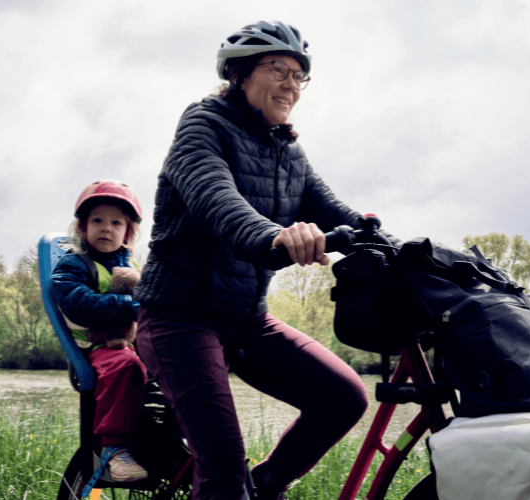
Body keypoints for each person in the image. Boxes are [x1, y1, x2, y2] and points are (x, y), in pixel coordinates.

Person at [133, 20, 401, 500]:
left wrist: (397, 247)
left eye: (300, 75)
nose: (291, 83)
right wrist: (275, 237)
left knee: (343, 398)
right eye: (278, 67)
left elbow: (334, 210)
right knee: (222, 469)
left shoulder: (288, 151)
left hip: (246, 320)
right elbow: (219, 202)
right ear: (239, 73)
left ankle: (266, 487)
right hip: (180, 318)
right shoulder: (203, 125)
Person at [51, 179, 149, 482]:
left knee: (179, 362)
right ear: (82, 228)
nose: (106, 228)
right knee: (126, 365)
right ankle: (114, 449)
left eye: (116, 222)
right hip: (95, 349)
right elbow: (78, 303)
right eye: (97, 220)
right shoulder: (74, 265)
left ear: (128, 232)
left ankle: (185, 443)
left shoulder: (132, 268)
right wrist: (130, 307)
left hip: (129, 343)